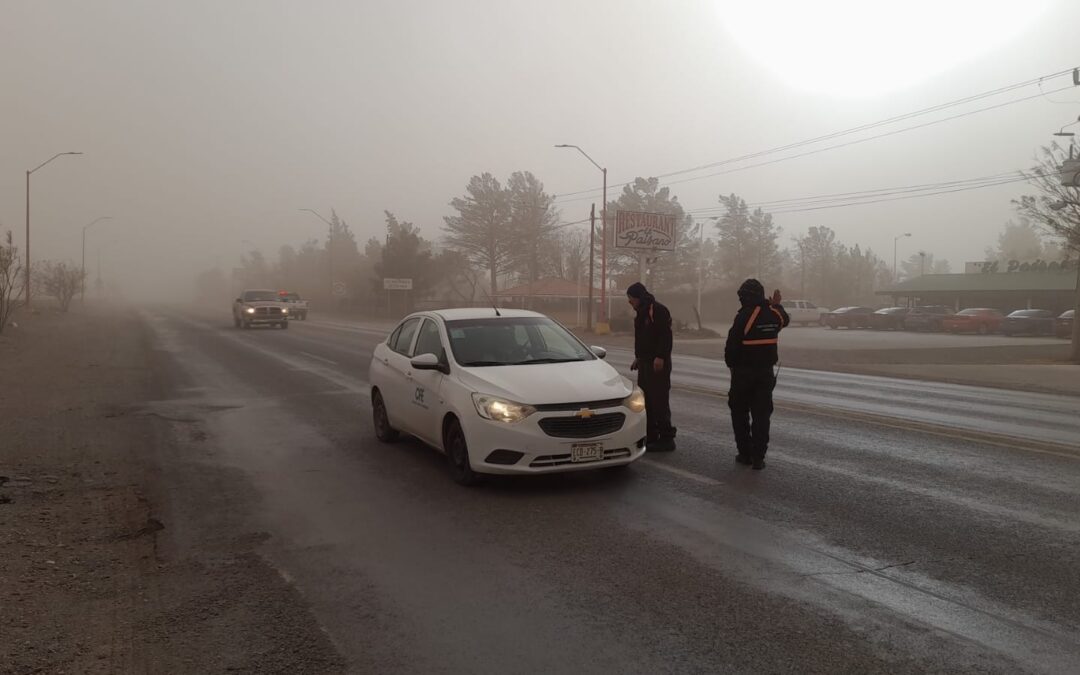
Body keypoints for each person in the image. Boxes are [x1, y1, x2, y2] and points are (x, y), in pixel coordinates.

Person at [724, 279, 789, 470]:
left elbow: (732, 344)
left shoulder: (744, 316)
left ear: (747, 296)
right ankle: (759, 457)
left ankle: (745, 454)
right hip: (765, 374)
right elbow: (785, 319)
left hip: (744, 373)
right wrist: (776, 304)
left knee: (739, 412)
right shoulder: (774, 314)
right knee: (762, 416)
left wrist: (731, 365)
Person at [626, 282, 677, 451]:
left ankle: (667, 437)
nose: (630, 302)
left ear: (638, 297)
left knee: (659, 400)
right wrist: (638, 358)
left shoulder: (658, 310)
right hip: (645, 362)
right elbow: (641, 339)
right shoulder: (641, 313)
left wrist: (660, 357)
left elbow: (665, 336)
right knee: (646, 400)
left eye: (631, 299)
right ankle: (651, 434)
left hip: (657, 363)